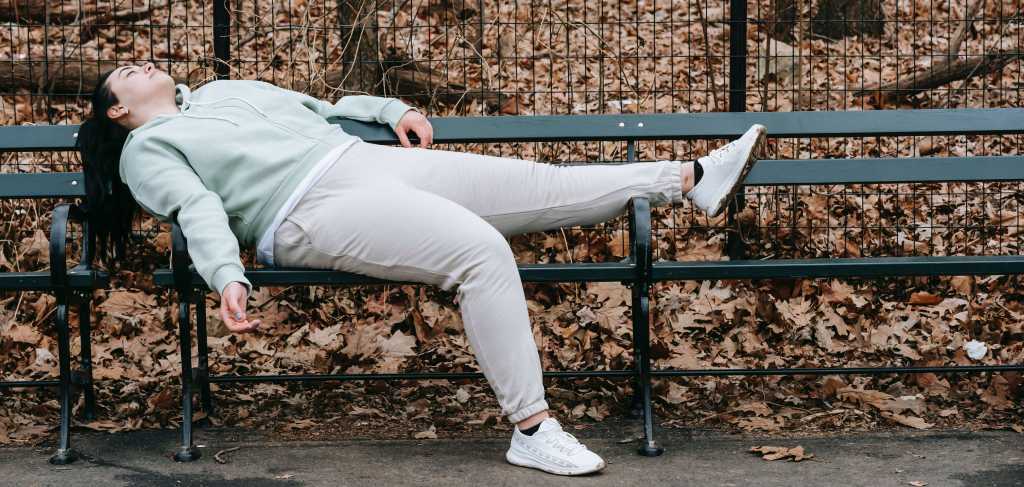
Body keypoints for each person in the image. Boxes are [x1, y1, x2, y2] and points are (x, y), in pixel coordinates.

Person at [76, 61, 767, 476]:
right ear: (119, 109)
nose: (142, 64)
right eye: (126, 73)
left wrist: (393, 109)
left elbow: (322, 109)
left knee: (544, 185)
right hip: (305, 210)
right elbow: (196, 206)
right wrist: (226, 272)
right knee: (481, 252)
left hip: (364, 160)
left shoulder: (226, 90)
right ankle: (533, 430)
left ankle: (691, 178)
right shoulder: (146, 149)